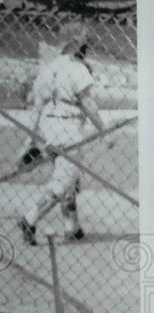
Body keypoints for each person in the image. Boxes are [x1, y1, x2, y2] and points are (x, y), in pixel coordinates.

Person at [18, 20, 109, 245]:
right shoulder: (77, 68)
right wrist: (104, 131)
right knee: (63, 181)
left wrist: (29, 140)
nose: (87, 46)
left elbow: (37, 107)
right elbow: (87, 103)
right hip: (68, 127)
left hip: (48, 127)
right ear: (76, 42)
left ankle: (72, 227)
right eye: (85, 41)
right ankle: (29, 219)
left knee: (68, 178)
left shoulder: (47, 69)